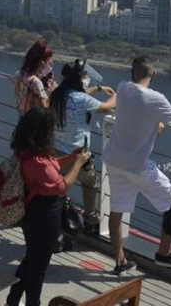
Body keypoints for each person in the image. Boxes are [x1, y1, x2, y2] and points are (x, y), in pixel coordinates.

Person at [101, 56, 171, 274]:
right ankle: (163, 253)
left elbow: (132, 111)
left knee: (117, 211)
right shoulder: (156, 98)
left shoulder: (123, 87)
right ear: (153, 73)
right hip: (137, 165)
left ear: (132, 72)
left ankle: (120, 261)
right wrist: (159, 122)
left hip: (114, 160)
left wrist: (155, 122)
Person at [6, 107, 92, 306]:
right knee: (38, 269)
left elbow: (51, 166)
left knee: (31, 260)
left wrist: (71, 157)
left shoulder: (29, 153)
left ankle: (12, 300)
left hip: (34, 214)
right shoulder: (38, 162)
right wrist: (78, 164)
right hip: (45, 217)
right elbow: (61, 186)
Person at [49, 59, 116, 226]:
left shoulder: (57, 94)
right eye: (84, 76)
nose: (87, 79)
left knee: (58, 187)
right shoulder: (81, 99)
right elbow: (106, 107)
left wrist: (98, 88)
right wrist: (117, 95)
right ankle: (90, 218)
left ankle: (55, 216)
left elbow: (79, 98)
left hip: (56, 150)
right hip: (77, 154)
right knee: (91, 182)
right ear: (78, 79)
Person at [13, 37, 55, 115]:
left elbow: (17, 91)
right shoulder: (36, 82)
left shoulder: (21, 74)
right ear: (42, 63)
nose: (50, 64)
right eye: (48, 62)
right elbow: (45, 106)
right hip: (35, 118)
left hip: (23, 112)